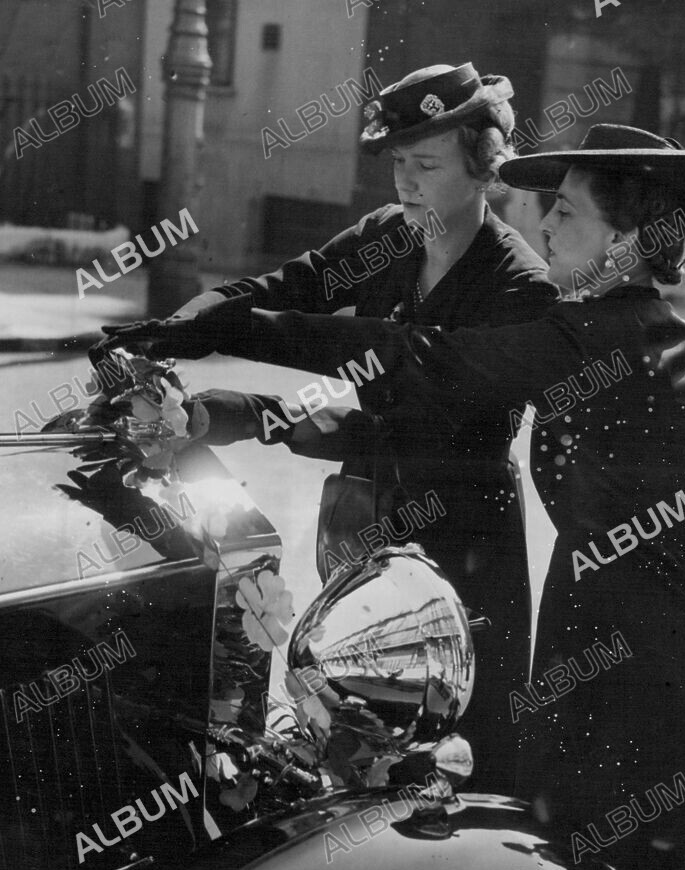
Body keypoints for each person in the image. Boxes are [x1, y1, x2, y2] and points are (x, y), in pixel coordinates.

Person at [104, 124, 685, 870]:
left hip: (616, 647)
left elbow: (414, 357)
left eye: (566, 213)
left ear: (622, 241)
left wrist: (236, 330)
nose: (544, 226)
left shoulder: (579, 337)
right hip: (675, 644)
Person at [100, 63, 559, 794]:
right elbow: (294, 285)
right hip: (368, 524)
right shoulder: (388, 237)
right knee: (350, 734)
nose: (406, 183)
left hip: (463, 539)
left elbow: (394, 378)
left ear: (483, 166)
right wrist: (193, 318)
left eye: (427, 165)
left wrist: (242, 378)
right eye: (398, 163)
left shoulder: (519, 286)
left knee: (454, 750)